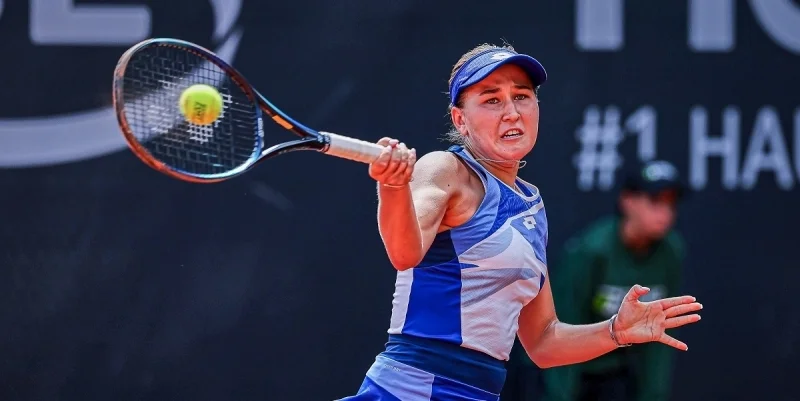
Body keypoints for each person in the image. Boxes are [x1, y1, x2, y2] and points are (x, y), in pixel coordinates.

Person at [337, 43, 702, 401]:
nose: (511, 112)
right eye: (492, 99)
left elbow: (543, 341)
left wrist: (615, 331)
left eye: (522, 96)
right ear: (460, 119)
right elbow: (405, 253)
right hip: (410, 391)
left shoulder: (532, 205)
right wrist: (394, 186)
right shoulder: (445, 169)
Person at [540, 160, 689, 401]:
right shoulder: (590, 252)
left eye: (671, 204)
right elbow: (559, 328)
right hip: (564, 369)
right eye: (655, 201)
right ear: (627, 201)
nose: (665, 213)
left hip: (615, 373)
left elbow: (660, 340)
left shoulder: (671, 252)